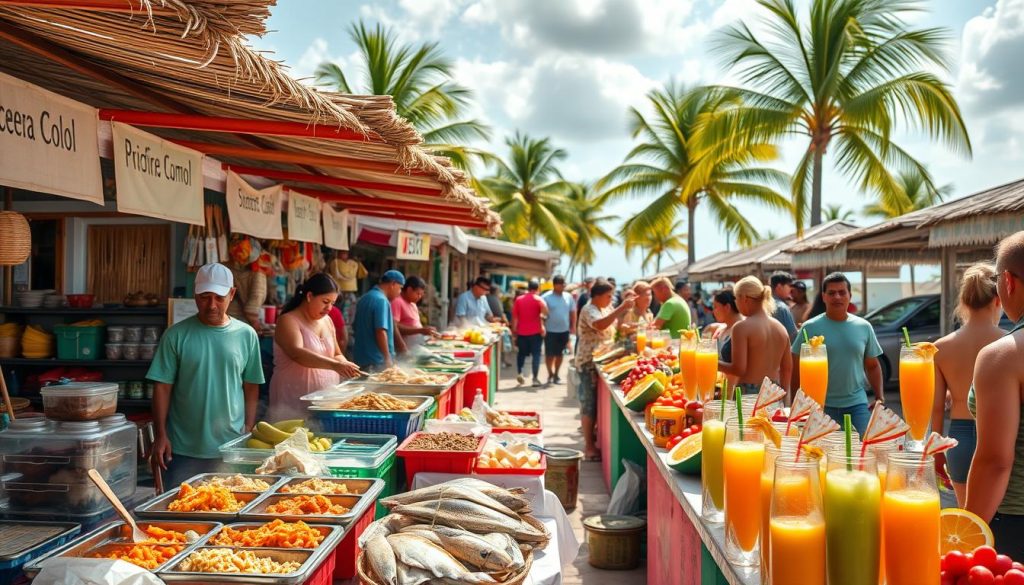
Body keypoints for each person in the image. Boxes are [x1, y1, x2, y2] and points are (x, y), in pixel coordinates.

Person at [147, 263, 263, 486]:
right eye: (204, 297)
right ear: (195, 295)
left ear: (232, 294)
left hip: (231, 447)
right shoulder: (175, 335)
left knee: (227, 509)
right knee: (182, 513)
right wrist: (161, 434)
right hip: (183, 449)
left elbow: (251, 385)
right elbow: (162, 387)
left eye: (219, 298)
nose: (211, 305)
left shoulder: (246, 335)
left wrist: (248, 427)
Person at [966, 232, 1024, 558]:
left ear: (1008, 282)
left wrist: (967, 529)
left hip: (1015, 522)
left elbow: (995, 461)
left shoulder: (1004, 355)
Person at [931, 264, 1003, 505]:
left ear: (963, 301)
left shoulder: (941, 347)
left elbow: (937, 407)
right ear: (998, 300)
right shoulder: (1010, 343)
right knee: (1001, 519)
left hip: (958, 440)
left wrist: (937, 452)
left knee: (968, 520)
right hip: (998, 437)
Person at [792, 272, 883, 436]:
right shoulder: (809, 328)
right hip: (820, 405)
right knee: (822, 453)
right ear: (824, 297)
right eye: (832, 293)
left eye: (842, 292)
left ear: (850, 295)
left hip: (857, 404)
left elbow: (873, 365)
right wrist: (794, 403)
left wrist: (879, 397)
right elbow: (796, 370)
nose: (837, 297)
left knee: (866, 448)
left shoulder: (864, 327)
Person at [268, 273, 360, 421]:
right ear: (309, 296)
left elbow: (336, 352)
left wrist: (345, 364)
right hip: (292, 400)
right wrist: (335, 365)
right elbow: (296, 353)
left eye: (332, 303)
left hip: (325, 402)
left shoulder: (327, 321)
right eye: (325, 301)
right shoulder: (288, 320)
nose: (329, 308)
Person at [576, 280, 636, 460]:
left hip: (602, 360)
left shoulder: (605, 307)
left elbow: (612, 324)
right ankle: (588, 446)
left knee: (594, 405)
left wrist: (625, 324)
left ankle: (594, 440)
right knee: (589, 406)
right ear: (598, 295)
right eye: (609, 296)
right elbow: (600, 325)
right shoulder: (589, 309)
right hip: (588, 362)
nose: (611, 299)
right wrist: (622, 307)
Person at [717, 277, 791, 394]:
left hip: (749, 394)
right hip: (773, 393)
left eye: (736, 298)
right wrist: (785, 398)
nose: (736, 303)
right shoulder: (781, 328)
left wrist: (711, 362)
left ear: (744, 298)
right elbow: (787, 370)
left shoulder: (741, 327)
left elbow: (738, 369)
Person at [352, 270, 405, 370]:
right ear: (393, 284)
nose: (400, 293)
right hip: (376, 361)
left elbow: (355, 326)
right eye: (400, 288)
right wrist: (387, 358)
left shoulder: (364, 298)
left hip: (360, 359)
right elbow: (380, 331)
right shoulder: (381, 300)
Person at [512, 280, 548, 387]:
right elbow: (545, 312)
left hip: (522, 332)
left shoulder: (519, 299)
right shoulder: (539, 299)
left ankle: (520, 373)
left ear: (528, 288)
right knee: (536, 355)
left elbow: (515, 318)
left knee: (521, 354)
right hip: (536, 333)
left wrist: (514, 331)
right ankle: (535, 379)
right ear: (538, 289)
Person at [542, 275, 576, 385]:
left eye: (564, 283)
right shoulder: (546, 297)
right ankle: (550, 373)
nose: (563, 286)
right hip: (550, 330)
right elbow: (541, 314)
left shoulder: (568, 297)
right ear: (555, 285)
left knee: (560, 354)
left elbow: (573, 312)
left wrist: (573, 326)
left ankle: (556, 374)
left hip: (564, 330)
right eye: (561, 284)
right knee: (549, 354)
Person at [392, 276, 436, 351]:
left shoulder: (413, 303)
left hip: (416, 346)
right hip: (405, 349)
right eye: (417, 294)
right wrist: (420, 330)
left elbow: (414, 324)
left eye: (421, 295)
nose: (419, 297)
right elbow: (394, 326)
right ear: (409, 290)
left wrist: (425, 331)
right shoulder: (397, 301)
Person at [224, 259, 267, 331]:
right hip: (240, 321)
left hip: (227, 317)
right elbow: (251, 310)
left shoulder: (229, 268)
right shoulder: (258, 274)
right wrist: (257, 327)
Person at [710, 287, 743, 365]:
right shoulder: (720, 330)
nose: (713, 311)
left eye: (715, 307)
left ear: (727, 307)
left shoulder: (742, 330)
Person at [769, 271, 798, 342]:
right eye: (789, 286)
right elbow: (793, 336)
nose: (791, 289)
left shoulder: (763, 304)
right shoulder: (781, 307)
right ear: (779, 287)